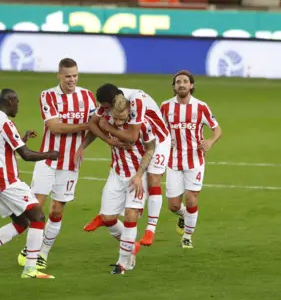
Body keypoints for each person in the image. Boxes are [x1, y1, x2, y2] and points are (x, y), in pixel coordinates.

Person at [0, 89, 59, 279]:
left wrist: (23, 139)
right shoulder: (5, 123)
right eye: (17, 102)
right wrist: (49, 155)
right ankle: (30, 269)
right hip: (6, 179)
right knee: (37, 215)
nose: (18, 105)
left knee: (21, 221)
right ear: (9, 102)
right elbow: (26, 155)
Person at [17, 58, 95, 271]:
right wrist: (85, 125)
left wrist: (83, 146)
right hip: (48, 159)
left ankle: (42, 253)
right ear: (59, 75)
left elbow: (95, 127)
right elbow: (55, 127)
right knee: (36, 207)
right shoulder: (47, 95)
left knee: (57, 210)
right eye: (68, 76)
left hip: (71, 162)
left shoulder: (87, 96)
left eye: (75, 75)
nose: (72, 80)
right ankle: (30, 249)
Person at [82, 84, 170, 247]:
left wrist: (108, 128)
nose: (103, 110)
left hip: (159, 138)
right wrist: (107, 140)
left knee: (153, 178)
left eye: (105, 107)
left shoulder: (136, 101)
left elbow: (132, 136)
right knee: (123, 166)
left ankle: (150, 229)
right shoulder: (113, 98)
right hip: (139, 138)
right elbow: (93, 123)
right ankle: (107, 215)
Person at [94, 96, 158, 274]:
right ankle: (131, 246)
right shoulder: (105, 120)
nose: (119, 121)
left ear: (130, 110)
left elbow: (151, 148)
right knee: (108, 219)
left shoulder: (143, 124)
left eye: (123, 118)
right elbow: (91, 125)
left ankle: (122, 263)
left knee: (131, 216)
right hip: (116, 174)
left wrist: (139, 175)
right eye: (117, 117)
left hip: (136, 176)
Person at [160, 70, 222, 249]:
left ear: (191, 85)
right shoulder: (165, 107)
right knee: (173, 206)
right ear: (174, 86)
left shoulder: (201, 107)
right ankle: (183, 215)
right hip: (173, 161)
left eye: (185, 81)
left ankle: (187, 236)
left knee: (191, 198)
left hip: (195, 160)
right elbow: (159, 130)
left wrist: (210, 141)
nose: (181, 84)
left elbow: (217, 129)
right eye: (178, 81)